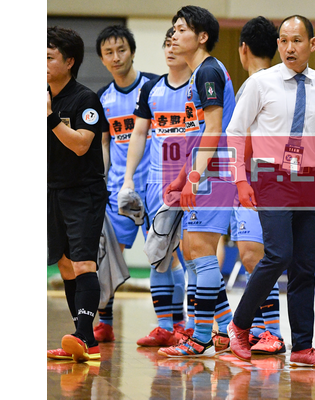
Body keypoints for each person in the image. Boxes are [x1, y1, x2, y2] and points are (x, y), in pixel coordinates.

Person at [226, 15, 315, 367]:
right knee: (278, 255)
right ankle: (239, 325)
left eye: (297, 40)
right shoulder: (261, 83)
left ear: (312, 44)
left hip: (309, 180)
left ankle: (303, 347)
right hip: (270, 176)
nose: (289, 48)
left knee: (305, 266)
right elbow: (235, 131)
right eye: (283, 40)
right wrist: (240, 179)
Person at [158, 5, 237, 358]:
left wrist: (192, 177)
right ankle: (226, 327)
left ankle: (202, 335)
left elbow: (216, 129)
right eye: (173, 29)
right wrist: (180, 178)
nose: (174, 35)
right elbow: (198, 135)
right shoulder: (197, 74)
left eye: (182, 29)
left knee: (201, 252)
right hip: (203, 172)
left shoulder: (207, 71)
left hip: (215, 173)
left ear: (202, 36)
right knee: (191, 251)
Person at [121, 27, 191, 347]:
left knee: (193, 255)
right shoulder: (151, 88)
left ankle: (191, 324)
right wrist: (128, 178)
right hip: (157, 185)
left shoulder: (200, 87)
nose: (170, 49)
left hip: (194, 184)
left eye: (176, 43)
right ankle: (166, 325)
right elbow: (138, 134)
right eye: (166, 44)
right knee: (160, 253)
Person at [94, 25, 159, 342]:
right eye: (109, 52)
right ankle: (104, 322)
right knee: (106, 256)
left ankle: (173, 325)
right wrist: (101, 183)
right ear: (102, 59)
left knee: (163, 256)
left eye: (121, 50)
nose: (116, 57)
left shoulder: (155, 87)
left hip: (155, 189)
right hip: (119, 191)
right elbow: (104, 145)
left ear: (132, 51)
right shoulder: (102, 98)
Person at [47, 26, 106, 362]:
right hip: (53, 191)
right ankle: (86, 339)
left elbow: (82, 145)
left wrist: (50, 117)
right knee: (66, 266)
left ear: (69, 61)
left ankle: (84, 336)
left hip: (84, 192)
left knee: (83, 263)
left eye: (49, 58)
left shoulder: (86, 100)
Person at [232, 16, 285, 355]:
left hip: (261, 183)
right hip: (259, 182)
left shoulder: (260, 85)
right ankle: (262, 328)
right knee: (253, 256)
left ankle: (273, 332)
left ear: (244, 49)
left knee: (256, 256)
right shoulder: (266, 84)